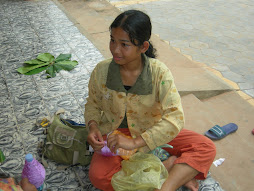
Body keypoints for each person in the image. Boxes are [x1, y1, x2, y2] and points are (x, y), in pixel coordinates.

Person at [85, 10, 216, 191]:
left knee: (205, 147)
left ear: (143, 47)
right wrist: (92, 126)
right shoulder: (101, 71)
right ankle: (171, 169)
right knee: (99, 177)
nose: (115, 49)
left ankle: (165, 186)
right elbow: (93, 103)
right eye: (112, 40)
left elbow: (174, 118)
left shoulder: (159, 73)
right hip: (114, 136)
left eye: (124, 44)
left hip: (151, 131)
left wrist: (136, 142)